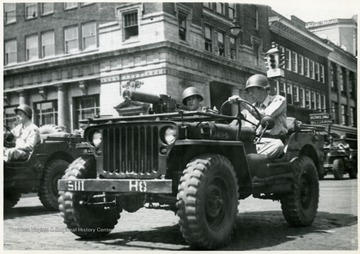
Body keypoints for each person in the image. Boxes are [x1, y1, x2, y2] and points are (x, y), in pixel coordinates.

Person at [229, 74, 287, 159]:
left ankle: (254, 161)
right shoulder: (252, 107)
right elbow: (248, 128)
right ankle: (248, 159)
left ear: (264, 90)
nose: (250, 94)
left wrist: (243, 103)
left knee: (278, 145)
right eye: (248, 91)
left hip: (271, 141)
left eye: (252, 90)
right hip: (255, 141)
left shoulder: (279, 100)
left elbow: (265, 117)